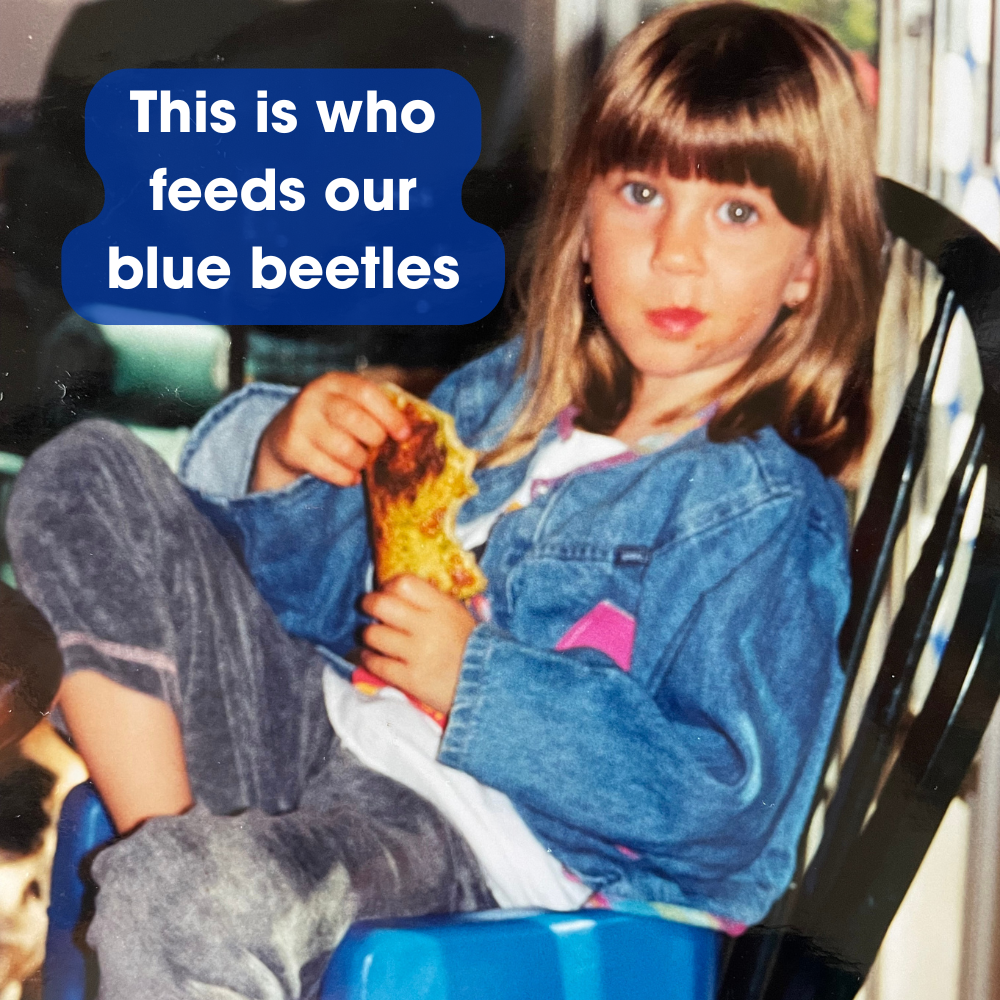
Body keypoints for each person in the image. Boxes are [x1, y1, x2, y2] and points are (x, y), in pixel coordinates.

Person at [5, 2, 885, 997]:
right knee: (81, 473)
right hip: (322, 719)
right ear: (585, 224)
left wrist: (478, 684)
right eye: (641, 191)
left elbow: (729, 808)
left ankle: (187, 894)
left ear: (810, 266)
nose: (675, 252)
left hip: (474, 836)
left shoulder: (760, 509)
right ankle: (179, 863)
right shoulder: (507, 395)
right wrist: (286, 461)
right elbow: (320, 601)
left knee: (187, 891)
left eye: (736, 212)